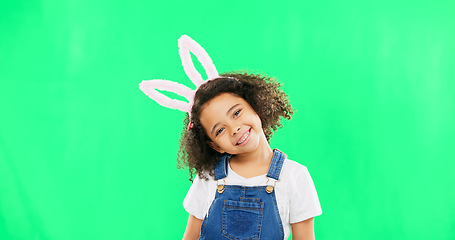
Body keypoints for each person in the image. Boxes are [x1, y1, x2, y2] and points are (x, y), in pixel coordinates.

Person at [139, 36, 322, 240]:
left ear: (255, 106)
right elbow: (190, 236)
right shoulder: (207, 177)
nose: (234, 128)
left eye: (236, 113)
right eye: (219, 131)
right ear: (214, 145)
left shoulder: (295, 176)